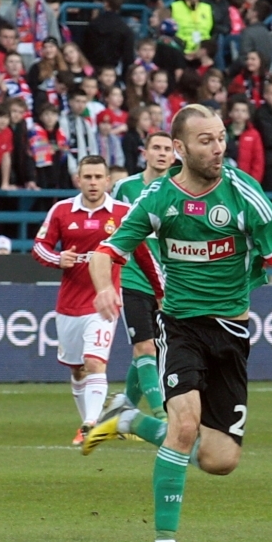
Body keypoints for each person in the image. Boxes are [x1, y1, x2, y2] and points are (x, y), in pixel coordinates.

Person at [84, 104, 272, 542]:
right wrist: (102, 289)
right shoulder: (158, 199)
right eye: (206, 140)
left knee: (220, 460)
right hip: (178, 327)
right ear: (178, 149)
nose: (218, 148)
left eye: (221, 138)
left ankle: (130, 420)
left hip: (232, 332)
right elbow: (107, 251)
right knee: (184, 425)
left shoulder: (245, 194)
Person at [32, 155, 163, 445]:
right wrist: (57, 258)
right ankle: (86, 422)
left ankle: (92, 425)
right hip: (68, 304)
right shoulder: (61, 210)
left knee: (94, 363)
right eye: (87, 177)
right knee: (77, 369)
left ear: (108, 181)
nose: (92, 183)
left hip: (103, 302)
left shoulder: (123, 213)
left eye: (98, 177)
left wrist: (160, 292)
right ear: (78, 180)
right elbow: (39, 248)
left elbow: (144, 255)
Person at [111, 132, 175, 424]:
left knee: (156, 349)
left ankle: (123, 405)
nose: (162, 153)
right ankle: (161, 413)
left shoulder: (177, 190)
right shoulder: (125, 188)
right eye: (157, 148)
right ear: (145, 153)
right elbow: (110, 227)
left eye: (168, 149)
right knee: (145, 347)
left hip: (168, 282)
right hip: (132, 278)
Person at [84, 0, 136, 73]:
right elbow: (128, 58)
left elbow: (85, 49)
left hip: (94, 70)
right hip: (113, 71)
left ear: (106, 3)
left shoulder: (93, 25)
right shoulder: (125, 29)